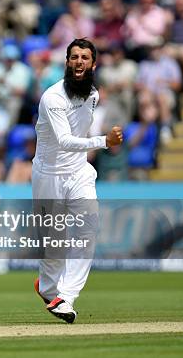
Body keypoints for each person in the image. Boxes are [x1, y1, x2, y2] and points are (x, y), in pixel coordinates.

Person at [32, 38, 123, 323]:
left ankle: (67, 296)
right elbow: (65, 140)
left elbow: (78, 140)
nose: (79, 62)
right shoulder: (53, 98)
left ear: (93, 64)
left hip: (80, 173)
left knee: (88, 229)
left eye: (85, 57)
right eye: (74, 57)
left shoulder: (93, 94)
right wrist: (104, 141)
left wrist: (99, 142)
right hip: (48, 176)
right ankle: (48, 289)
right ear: (67, 62)